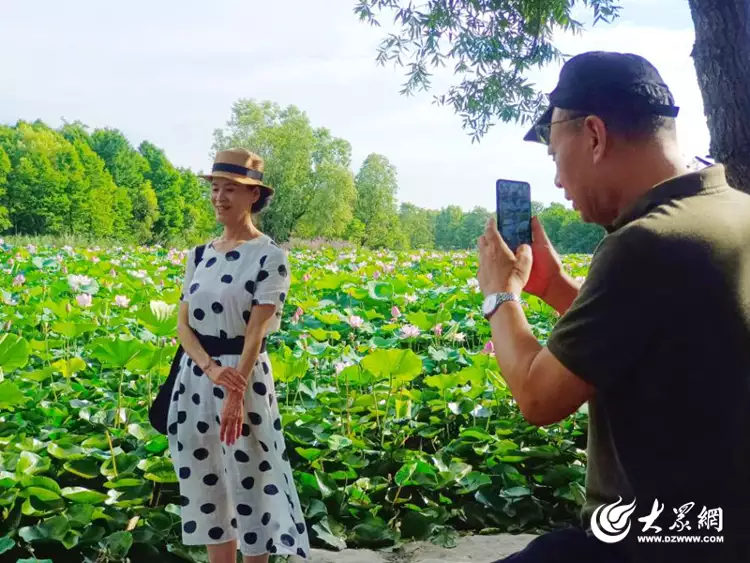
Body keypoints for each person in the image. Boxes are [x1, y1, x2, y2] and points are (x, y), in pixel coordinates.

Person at [476, 51, 750, 563]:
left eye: (556, 155)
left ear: (595, 137)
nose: (558, 181)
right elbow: (650, 334)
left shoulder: (646, 243)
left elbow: (539, 398)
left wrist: (500, 295)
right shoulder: (734, 209)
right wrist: (555, 286)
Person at [168, 148, 310, 563]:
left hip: (243, 381)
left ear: (254, 196)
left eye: (230, 189)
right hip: (197, 377)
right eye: (215, 188)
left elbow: (256, 332)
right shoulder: (198, 255)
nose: (219, 197)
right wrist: (209, 369)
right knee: (207, 482)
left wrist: (234, 389)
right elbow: (182, 325)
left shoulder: (270, 256)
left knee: (251, 484)